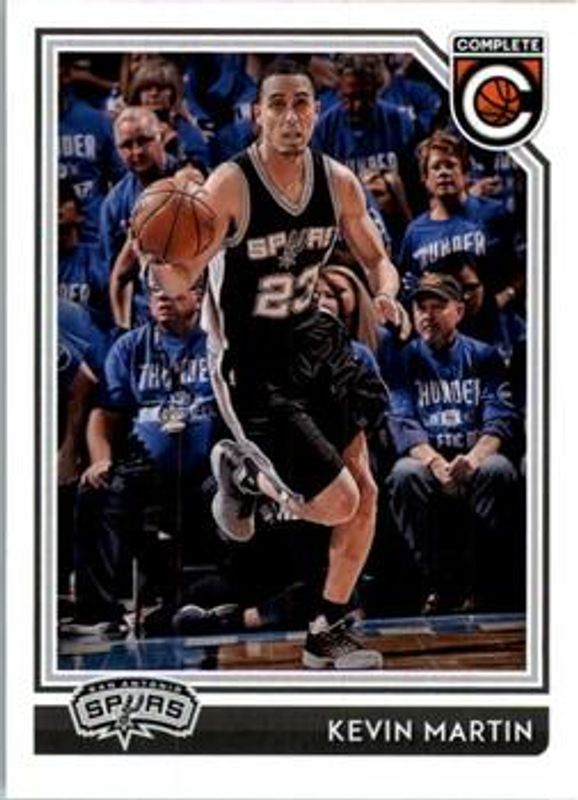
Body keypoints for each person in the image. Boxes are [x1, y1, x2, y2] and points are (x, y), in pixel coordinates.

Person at [138, 58, 405, 670]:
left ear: (316, 111)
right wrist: (157, 254)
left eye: (301, 103)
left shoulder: (338, 181)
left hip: (315, 342)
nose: (290, 115)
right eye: (277, 104)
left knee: (366, 492)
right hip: (252, 362)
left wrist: (387, 292)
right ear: (257, 113)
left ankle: (326, 631)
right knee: (337, 503)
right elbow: (184, 274)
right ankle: (246, 476)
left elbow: (375, 258)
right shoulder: (230, 185)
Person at [62, 273, 222, 635]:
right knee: (97, 492)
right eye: (154, 290)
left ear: (198, 295)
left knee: (232, 500)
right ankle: (98, 613)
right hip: (145, 467)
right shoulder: (129, 346)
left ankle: (223, 602)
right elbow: (104, 414)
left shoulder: (217, 343)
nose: (161, 296)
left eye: (171, 289)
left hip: (208, 467)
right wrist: (101, 459)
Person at [387, 273, 521, 613]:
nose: (427, 315)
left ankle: (483, 585)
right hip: (427, 459)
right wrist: (435, 462)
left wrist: (473, 459)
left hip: (475, 455)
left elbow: (500, 418)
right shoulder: (403, 359)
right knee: (404, 474)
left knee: (498, 469)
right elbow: (402, 421)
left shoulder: (484, 356)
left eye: (438, 306)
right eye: (421, 308)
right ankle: (438, 584)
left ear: (459, 311)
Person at [399, 130, 521, 306]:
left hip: (493, 319)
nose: (443, 173)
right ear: (425, 178)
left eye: (450, 165)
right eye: (436, 167)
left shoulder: (495, 213)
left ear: (465, 174)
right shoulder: (415, 232)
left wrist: (505, 297)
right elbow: (407, 287)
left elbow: (526, 266)